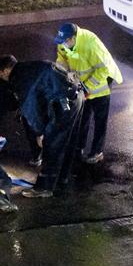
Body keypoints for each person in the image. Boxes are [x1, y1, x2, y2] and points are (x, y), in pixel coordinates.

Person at [0, 54, 84, 198]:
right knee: (68, 141)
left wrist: (40, 133)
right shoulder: (31, 66)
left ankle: (45, 187)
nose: (0, 77)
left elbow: (31, 109)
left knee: (52, 144)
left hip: (62, 105)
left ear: (5, 70)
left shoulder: (21, 79)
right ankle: (62, 179)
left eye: (0, 74)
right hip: (75, 96)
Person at [54, 23, 123, 164]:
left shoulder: (90, 44)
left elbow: (104, 70)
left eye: (64, 42)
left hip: (101, 84)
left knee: (99, 121)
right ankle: (79, 147)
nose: (62, 45)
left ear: (72, 39)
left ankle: (97, 151)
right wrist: (66, 72)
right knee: (82, 117)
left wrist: (87, 88)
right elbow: (61, 58)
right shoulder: (63, 42)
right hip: (82, 83)